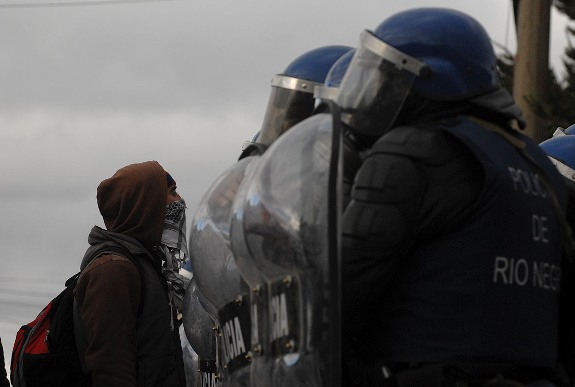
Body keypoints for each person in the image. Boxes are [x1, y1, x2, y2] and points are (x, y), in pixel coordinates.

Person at [337, 8, 571, 386]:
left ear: (428, 79)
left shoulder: (411, 149)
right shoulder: (539, 165)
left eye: (389, 79)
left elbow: (338, 291)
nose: (376, 93)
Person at [74, 161, 187, 387]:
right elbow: (112, 372)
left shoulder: (149, 267)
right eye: (171, 192)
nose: (180, 201)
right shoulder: (113, 270)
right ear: (144, 205)